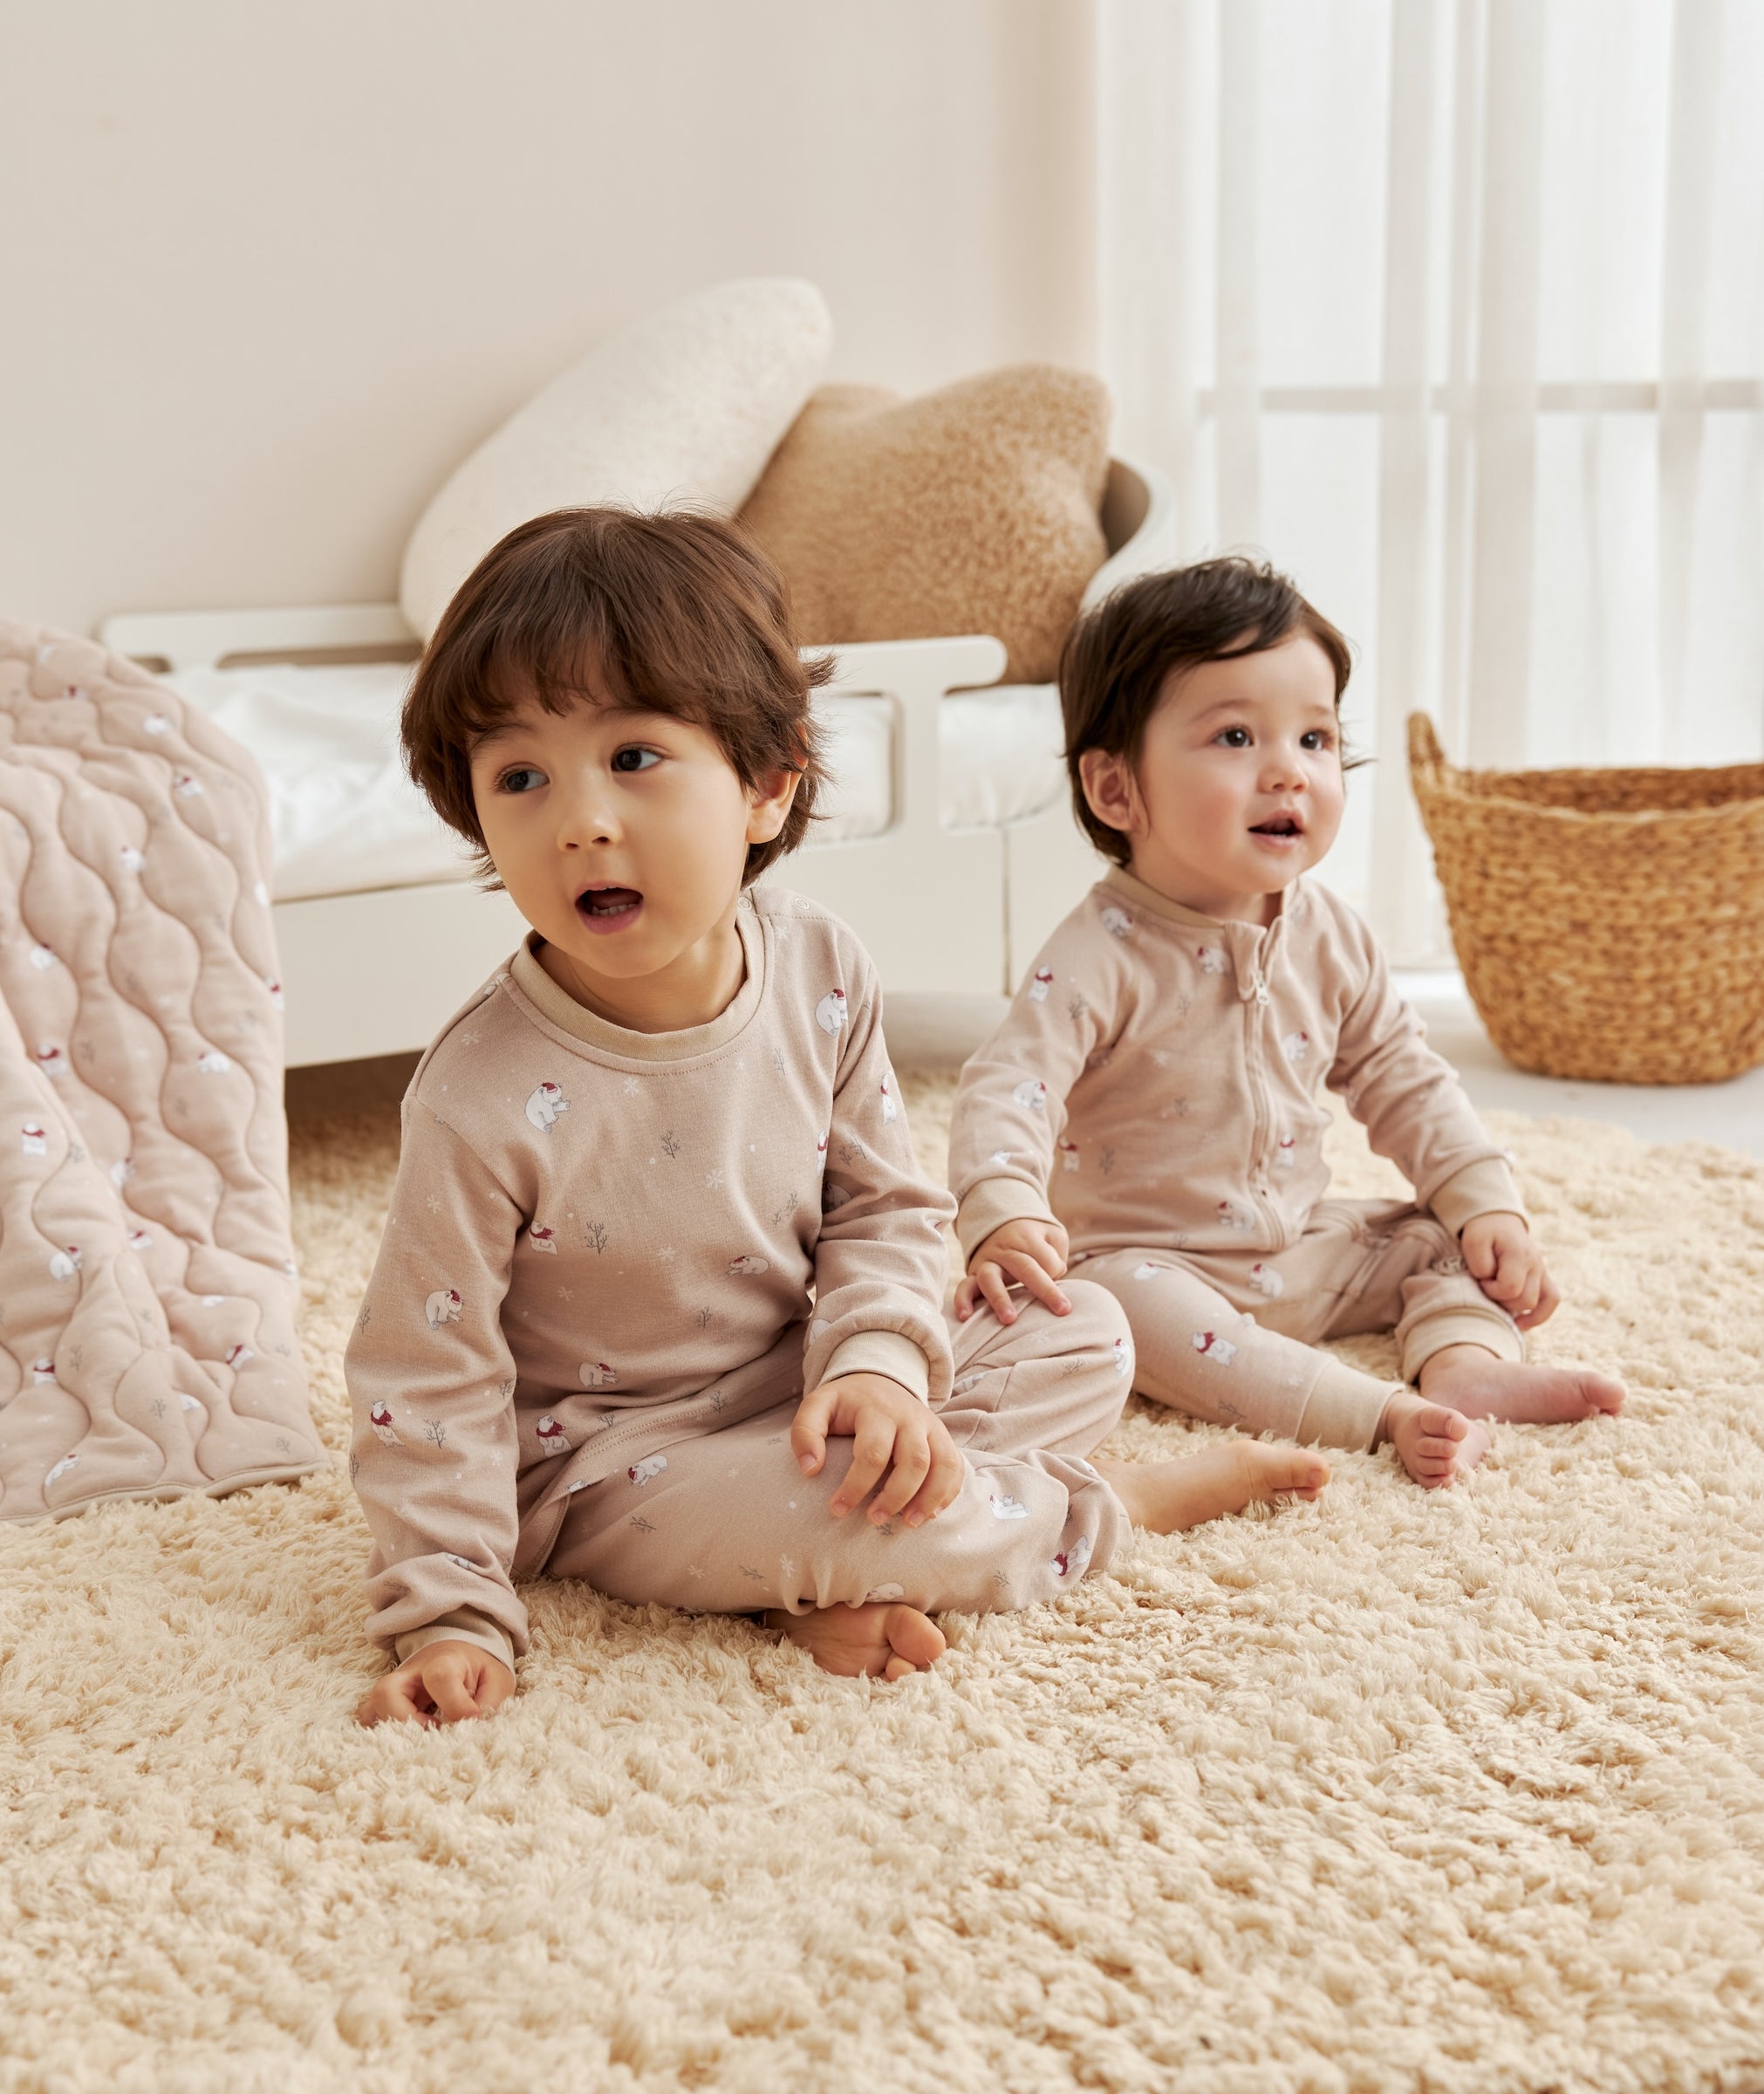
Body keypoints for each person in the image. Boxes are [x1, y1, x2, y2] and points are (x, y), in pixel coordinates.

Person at [348, 511, 1324, 1727]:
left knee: (1083, 1332)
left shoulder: (819, 962)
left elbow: (885, 1209)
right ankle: (1105, 1505)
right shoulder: (477, 1092)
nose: (580, 820)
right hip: (602, 1466)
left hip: (802, 1382)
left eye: (635, 757)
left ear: (768, 783)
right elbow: (423, 1374)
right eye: (521, 776)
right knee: (814, 1509)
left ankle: (821, 1559)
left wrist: (877, 1369)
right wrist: (448, 1608)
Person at [947, 556, 1624, 1493]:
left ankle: (1464, 1361)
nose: (1289, 773)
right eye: (1234, 735)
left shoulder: (1330, 931)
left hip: (1299, 1248)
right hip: (1153, 1266)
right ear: (1115, 791)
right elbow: (1004, 1088)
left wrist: (1485, 1199)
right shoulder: (1099, 955)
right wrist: (1006, 1212)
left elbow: (1401, 1070)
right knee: (1109, 1305)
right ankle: (1375, 1411)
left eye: (1315, 738)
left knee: (1440, 1238)